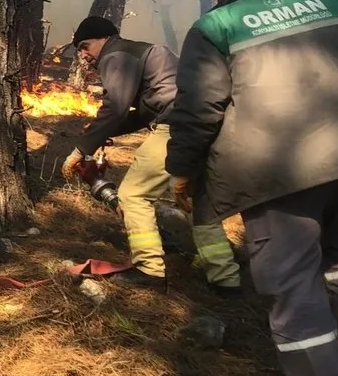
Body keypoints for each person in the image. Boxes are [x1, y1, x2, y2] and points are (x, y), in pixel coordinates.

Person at [166, 0, 338, 376]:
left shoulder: (215, 25)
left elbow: (200, 109)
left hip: (276, 172)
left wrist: (181, 170)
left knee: (292, 281)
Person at [61, 16, 241, 293]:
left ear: (104, 39)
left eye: (85, 46)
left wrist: (81, 149)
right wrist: (110, 131)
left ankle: (150, 271)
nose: (83, 55)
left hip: (176, 127)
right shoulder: (143, 51)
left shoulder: (116, 54)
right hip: (204, 125)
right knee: (198, 200)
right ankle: (225, 278)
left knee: (133, 195)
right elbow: (147, 110)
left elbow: (116, 106)